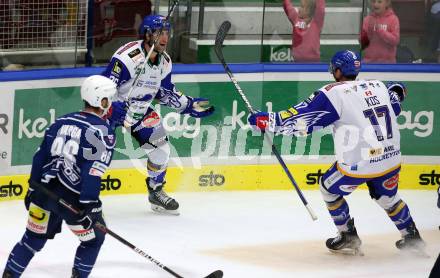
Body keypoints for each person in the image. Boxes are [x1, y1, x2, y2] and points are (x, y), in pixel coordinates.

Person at [248, 50, 425, 255]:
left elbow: (304, 118)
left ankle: (347, 235)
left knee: (328, 189)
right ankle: (413, 239)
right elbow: (395, 98)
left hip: (359, 163)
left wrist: (268, 120)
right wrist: (397, 89)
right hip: (390, 160)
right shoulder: (377, 86)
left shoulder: (333, 92)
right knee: (389, 198)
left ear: (339, 70)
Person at [2, 75, 117, 278]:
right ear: (103, 101)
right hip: (73, 199)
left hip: (44, 192)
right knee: (95, 238)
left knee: (31, 240)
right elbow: (92, 171)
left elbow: (39, 158)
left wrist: (31, 190)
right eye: (110, 99)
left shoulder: (61, 121)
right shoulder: (102, 131)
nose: (112, 104)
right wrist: (88, 206)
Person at [102, 15, 214, 215]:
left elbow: (164, 93)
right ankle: (76, 191)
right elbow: (103, 87)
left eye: (167, 33)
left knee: (161, 150)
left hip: (140, 110)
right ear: (147, 34)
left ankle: (156, 191)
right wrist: (112, 108)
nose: (164, 38)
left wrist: (188, 105)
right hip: (112, 109)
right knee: (97, 153)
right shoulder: (128, 57)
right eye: (159, 33)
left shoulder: (165, 62)